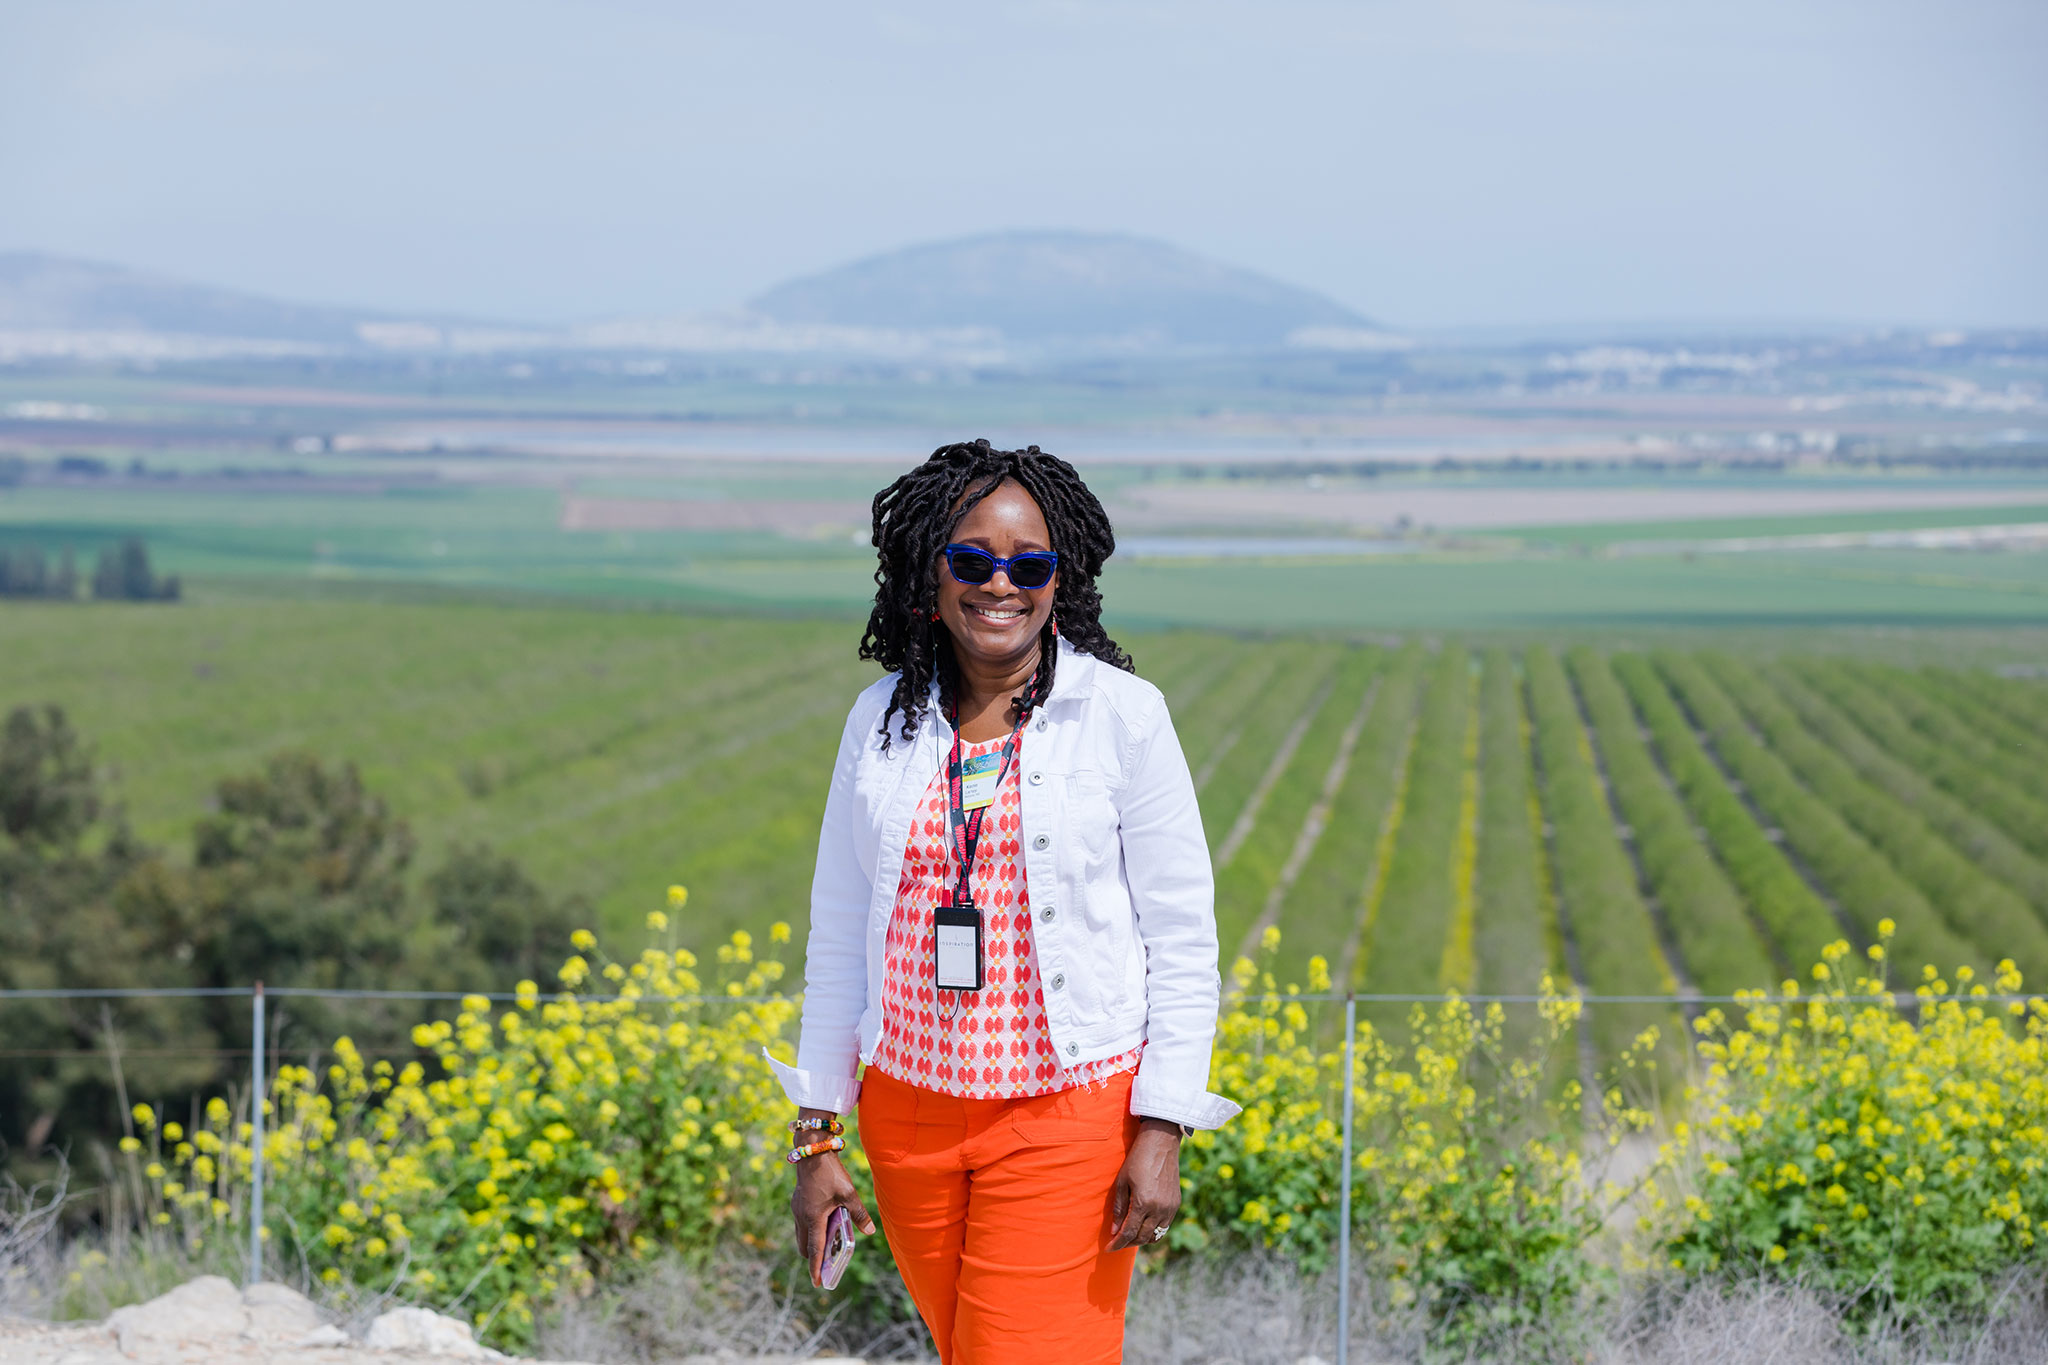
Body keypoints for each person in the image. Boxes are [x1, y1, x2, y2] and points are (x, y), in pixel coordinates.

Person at [766, 439, 1239, 1363]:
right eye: (972, 560)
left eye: (1030, 565)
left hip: (1067, 1115)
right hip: (905, 1120)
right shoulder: (879, 722)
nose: (1000, 585)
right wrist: (815, 1137)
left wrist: (1163, 1122)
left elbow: (1183, 939)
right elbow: (836, 942)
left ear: (1063, 580)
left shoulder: (1124, 717)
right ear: (928, 573)